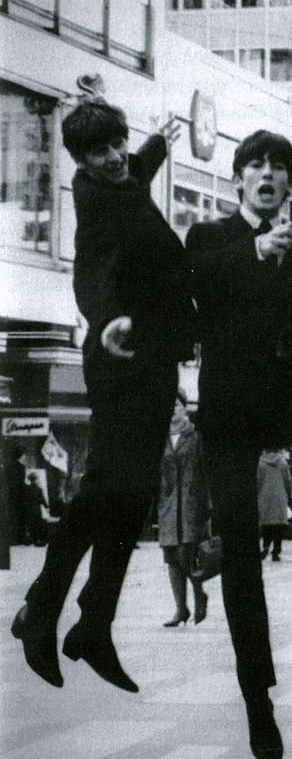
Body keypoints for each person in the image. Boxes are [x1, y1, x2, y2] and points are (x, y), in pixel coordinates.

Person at [12, 98, 195, 691]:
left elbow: (135, 169)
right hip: (122, 357)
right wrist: (108, 315)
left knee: (132, 491)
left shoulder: (121, 179)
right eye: (100, 151)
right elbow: (89, 271)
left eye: (119, 143)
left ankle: (94, 622)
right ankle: (44, 608)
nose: (115, 157)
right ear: (80, 161)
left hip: (152, 359)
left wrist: (157, 144)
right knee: (105, 489)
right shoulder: (96, 203)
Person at [186, 129, 292, 759]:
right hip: (226, 405)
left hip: (278, 392)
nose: (269, 173)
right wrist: (254, 251)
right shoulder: (209, 238)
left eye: (280, 166)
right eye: (257, 165)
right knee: (242, 560)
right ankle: (259, 703)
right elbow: (197, 290)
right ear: (239, 180)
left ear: (290, 184)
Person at [158, 389, 209, 626]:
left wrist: (208, 503)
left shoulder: (195, 436)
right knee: (171, 557)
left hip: (191, 503)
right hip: (168, 504)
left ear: (184, 408)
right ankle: (181, 609)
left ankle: (199, 596)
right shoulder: (161, 438)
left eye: (176, 406)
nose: (171, 412)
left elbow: (206, 469)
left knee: (187, 555)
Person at [258, 449, 292, 561]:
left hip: (264, 496)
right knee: (279, 525)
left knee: (266, 524)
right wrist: (289, 493)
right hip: (280, 496)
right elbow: (288, 480)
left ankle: (266, 545)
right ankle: (276, 551)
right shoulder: (283, 462)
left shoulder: (260, 463)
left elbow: (258, 481)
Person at [23, 471, 49, 547]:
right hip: (36, 510)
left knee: (30, 524)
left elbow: (25, 500)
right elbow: (42, 499)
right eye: (37, 479)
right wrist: (47, 507)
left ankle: (30, 539)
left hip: (29, 509)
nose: (38, 480)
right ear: (35, 480)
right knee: (37, 524)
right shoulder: (38, 488)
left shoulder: (27, 489)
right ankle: (37, 540)